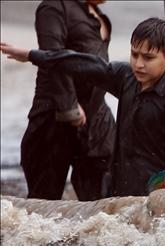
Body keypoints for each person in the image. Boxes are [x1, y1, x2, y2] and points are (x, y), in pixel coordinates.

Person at [1, 17, 165, 197]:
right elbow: (83, 64)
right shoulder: (126, 77)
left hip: (154, 195)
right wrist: (33, 55)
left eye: (148, 58)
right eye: (134, 54)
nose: (138, 64)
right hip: (119, 190)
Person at [21, 0, 116, 200]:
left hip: (97, 118)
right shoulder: (54, 7)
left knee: (101, 202)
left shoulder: (96, 13)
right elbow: (52, 56)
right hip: (54, 116)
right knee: (43, 202)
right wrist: (69, 107)